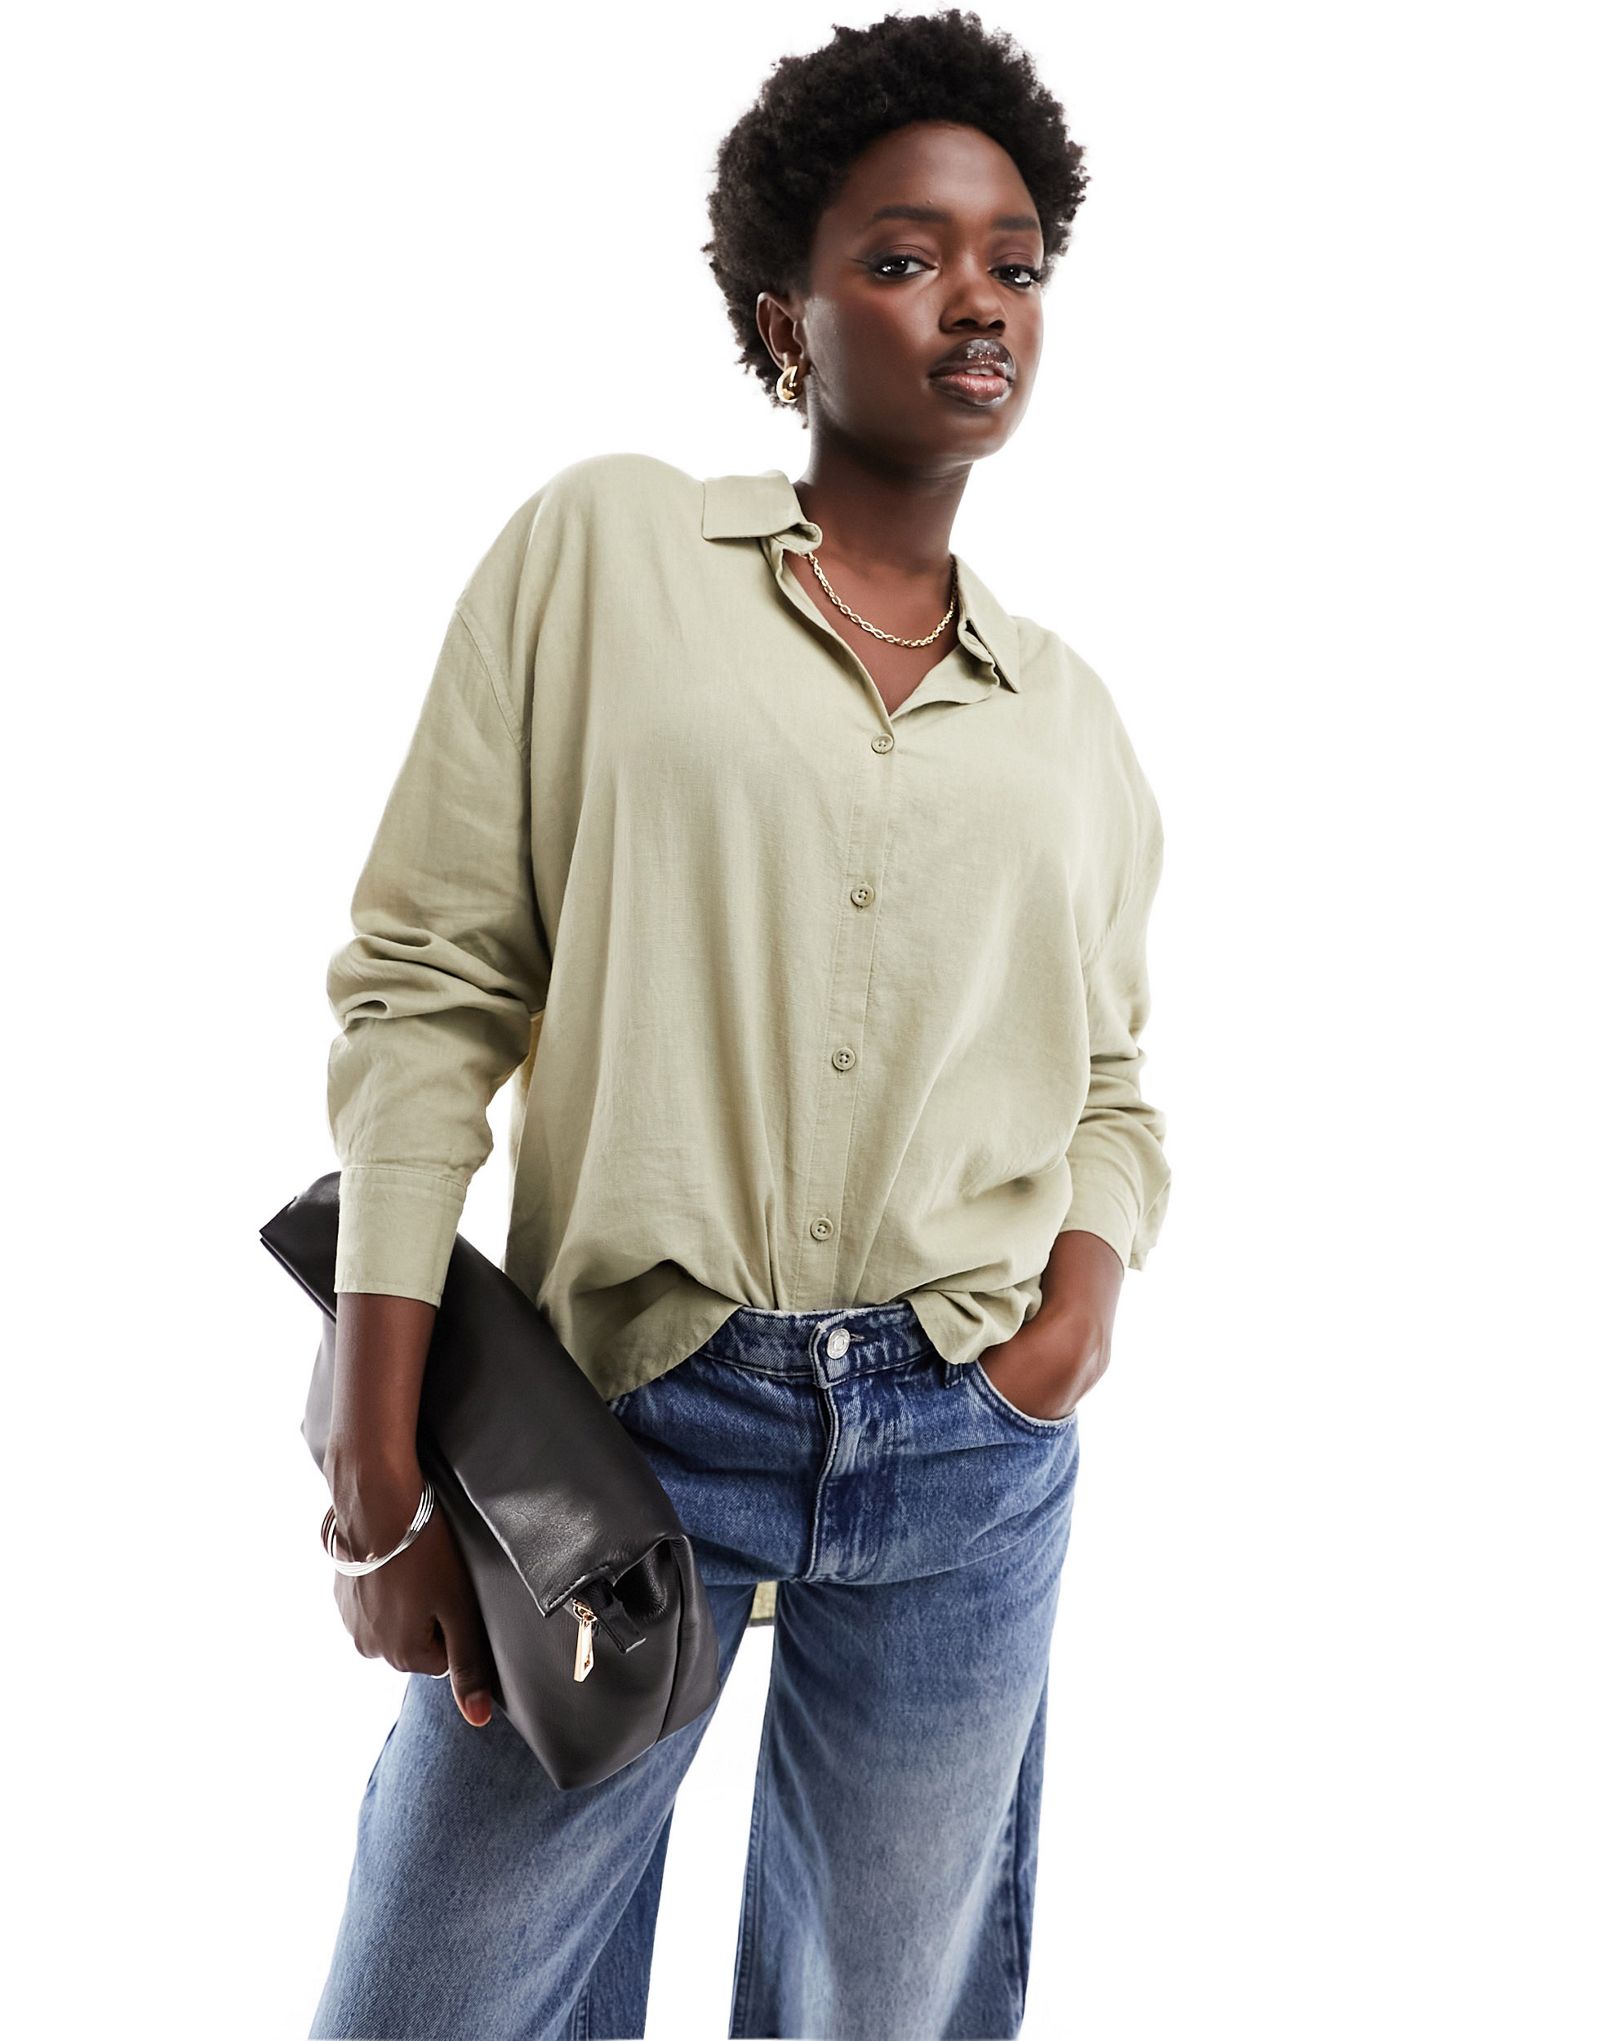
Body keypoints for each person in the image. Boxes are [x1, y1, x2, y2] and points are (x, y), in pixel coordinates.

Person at [307, 11, 1172, 2038]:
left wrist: (1070, 1316)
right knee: (432, 1997)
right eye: (906, 257)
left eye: (1016, 263)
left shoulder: (1069, 718)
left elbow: (1112, 1086)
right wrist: (381, 1440)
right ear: (784, 318)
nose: (978, 303)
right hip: (623, 1421)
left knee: (885, 2004)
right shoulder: (607, 555)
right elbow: (430, 982)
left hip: (963, 1442)